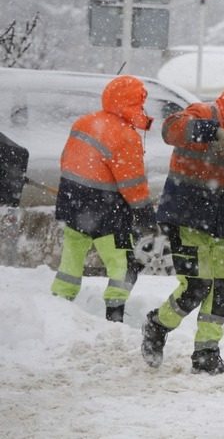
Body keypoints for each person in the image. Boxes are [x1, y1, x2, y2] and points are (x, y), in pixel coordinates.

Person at [141, 77, 224, 374]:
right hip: (186, 215)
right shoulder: (203, 113)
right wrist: (208, 131)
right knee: (196, 287)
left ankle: (206, 354)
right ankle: (157, 324)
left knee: (218, 289)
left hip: (220, 222)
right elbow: (170, 130)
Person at [50, 75, 157, 323]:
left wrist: (76, 192)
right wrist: (144, 213)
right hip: (104, 210)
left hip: (71, 201)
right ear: (133, 104)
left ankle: (58, 305)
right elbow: (132, 183)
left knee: (72, 257)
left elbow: (66, 159)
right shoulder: (125, 136)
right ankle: (115, 314)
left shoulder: (84, 122)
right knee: (123, 262)